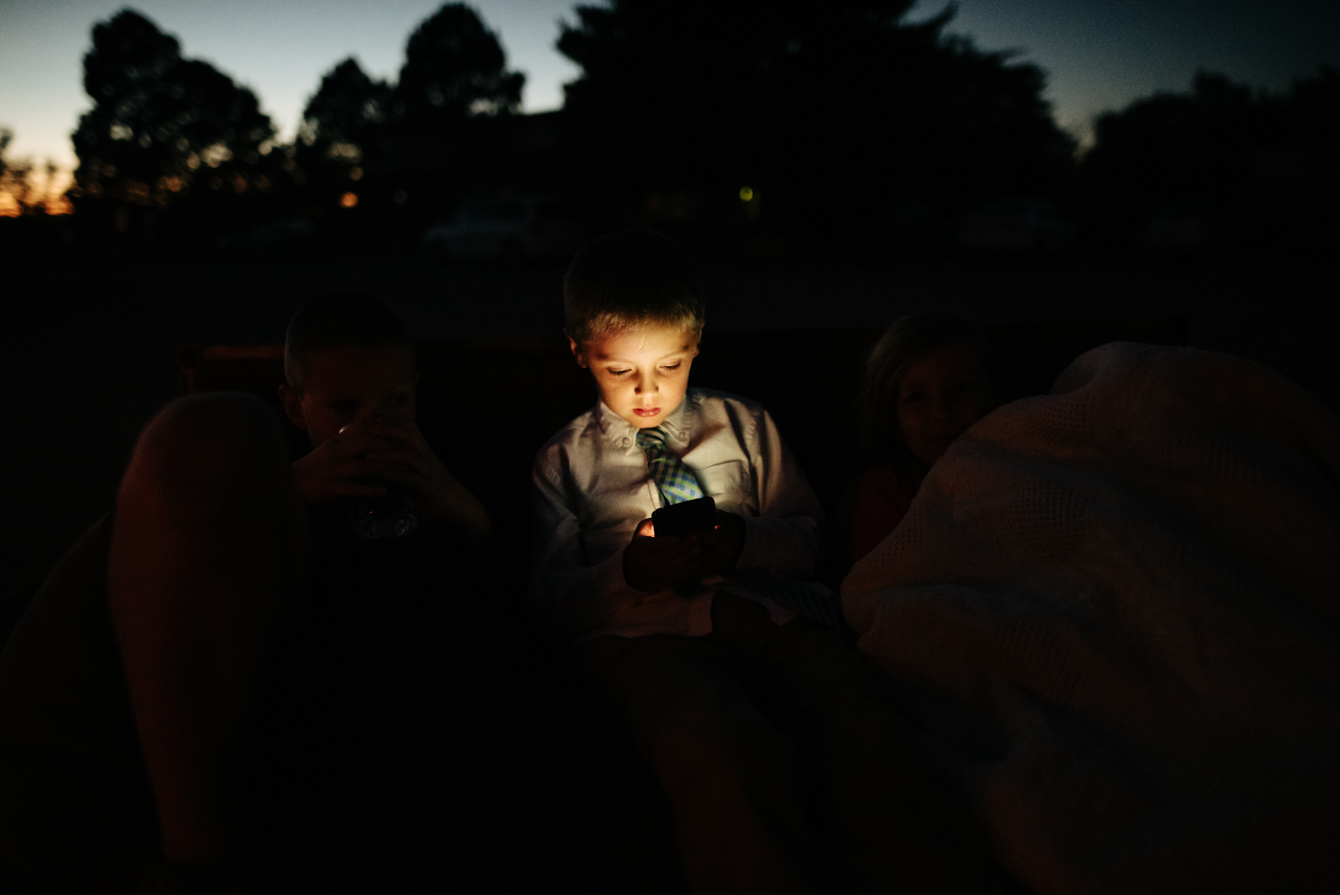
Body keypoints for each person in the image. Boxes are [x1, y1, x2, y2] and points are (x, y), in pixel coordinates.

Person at [530, 230, 998, 894]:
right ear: (581, 353)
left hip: (767, 614)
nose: (646, 391)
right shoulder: (563, 461)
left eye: (668, 366)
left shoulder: (745, 427)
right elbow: (551, 601)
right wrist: (630, 572)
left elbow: (808, 538)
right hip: (645, 638)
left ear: (695, 345)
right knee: (712, 741)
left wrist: (742, 541)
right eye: (619, 370)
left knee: (860, 722)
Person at [0, 293, 497, 893]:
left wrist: (452, 500)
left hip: (398, 668)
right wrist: (289, 489)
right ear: (294, 406)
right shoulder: (262, 456)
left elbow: (522, 571)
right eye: (343, 406)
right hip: (262, 658)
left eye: (396, 401)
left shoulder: (455, 448)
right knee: (202, 439)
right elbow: (176, 547)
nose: (375, 423)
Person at [847, 312, 999, 565]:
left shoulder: (1025, 468)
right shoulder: (887, 489)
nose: (941, 413)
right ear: (893, 421)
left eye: (960, 389)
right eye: (916, 398)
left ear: (994, 395)